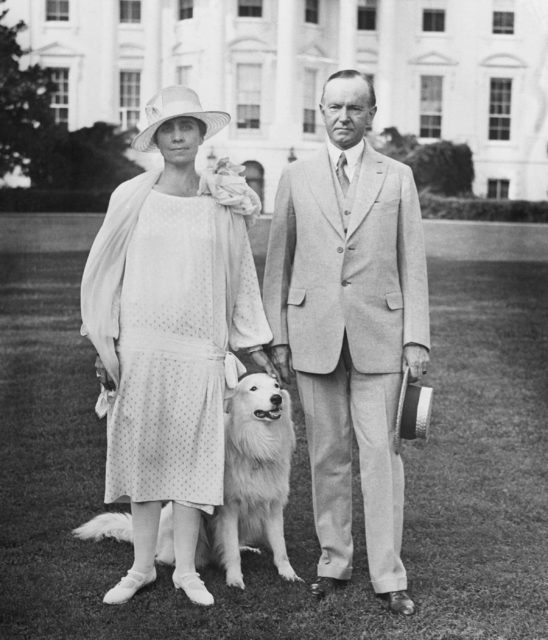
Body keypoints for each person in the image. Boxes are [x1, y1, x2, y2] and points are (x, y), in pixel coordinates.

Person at [80, 85, 276, 607]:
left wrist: (251, 342)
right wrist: (106, 346)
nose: (178, 135)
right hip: (141, 346)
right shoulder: (131, 197)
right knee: (144, 459)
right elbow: (105, 275)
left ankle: (187, 571)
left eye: (186, 125)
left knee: (194, 462)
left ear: (201, 132)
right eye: (167, 128)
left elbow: (242, 275)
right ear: (156, 138)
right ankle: (142, 567)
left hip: (199, 347)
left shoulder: (221, 199)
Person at [263, 70, 430, 615]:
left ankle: (389, 574)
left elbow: (414, 263)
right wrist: (278, 338)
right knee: (328, 455)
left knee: (383, 455)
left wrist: (416, 339)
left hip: (381, 335)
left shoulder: (397, 177)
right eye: (334, 107)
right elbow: (277, 266)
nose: (343, 117)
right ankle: (333, 561)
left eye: (355, 108)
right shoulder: (295, 175)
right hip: (311, 336)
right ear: (320, 110)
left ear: (371, 114)